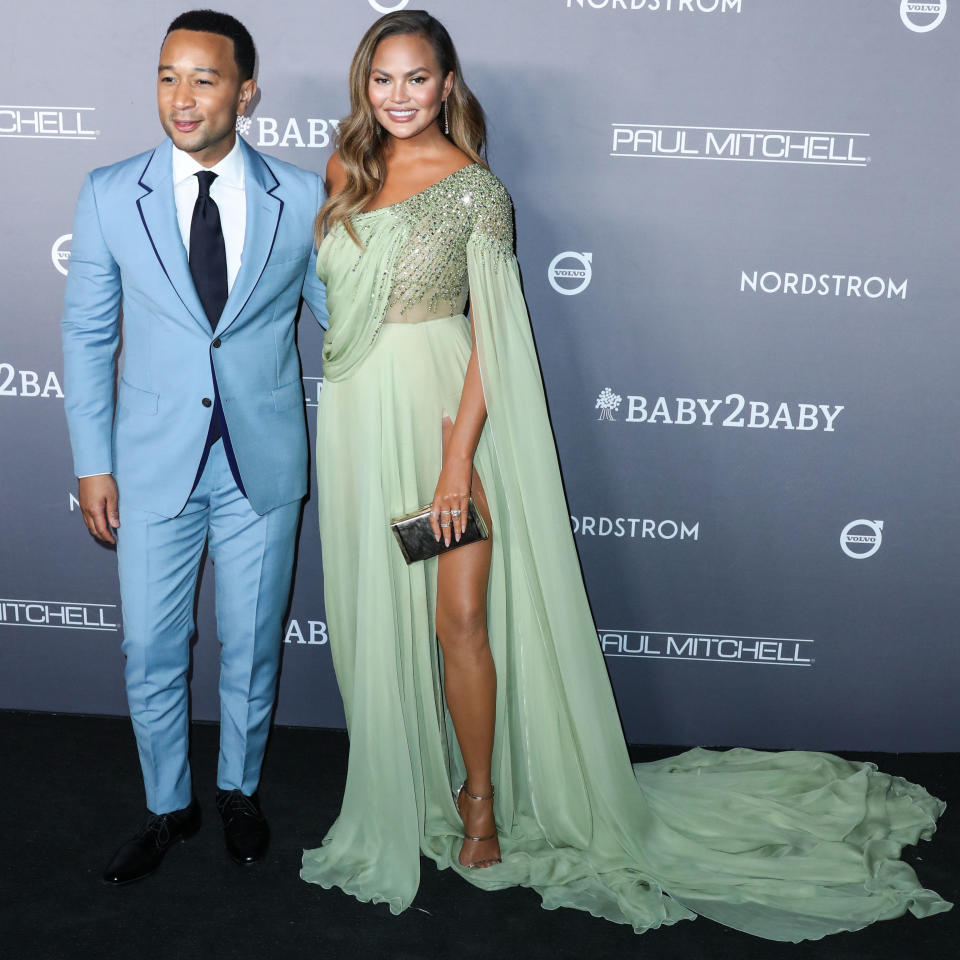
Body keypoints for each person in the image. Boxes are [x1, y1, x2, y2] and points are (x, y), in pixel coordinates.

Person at [300, 9, 950, 940]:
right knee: (378, 619)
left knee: (462, 620)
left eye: (418, 78)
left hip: (449, 421)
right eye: (383, 79)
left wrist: (456, 464)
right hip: (361, 420)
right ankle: (409, 785)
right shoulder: (343, 172)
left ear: (449, 83)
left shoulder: (479, 190)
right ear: (365, 85)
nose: (400, 97)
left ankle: (480, 800)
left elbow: (496, 342)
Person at [61, 9, 327, 884]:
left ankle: (238, 790)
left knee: (252, 642)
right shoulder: (109, 192)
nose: (182, 97)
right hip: (148, 463)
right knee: (150, 645)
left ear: (246, 91)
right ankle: (168, 805)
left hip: (263, 462)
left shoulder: (303, 198)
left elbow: (346, 325)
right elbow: (88, 335)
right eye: (168, 76)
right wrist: (92, 462)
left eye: (205, 78)